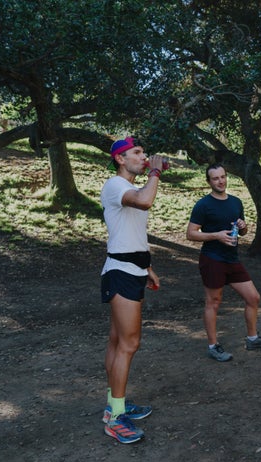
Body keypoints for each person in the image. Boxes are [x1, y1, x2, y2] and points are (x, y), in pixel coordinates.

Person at [101, 137, 166, 444]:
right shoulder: (115, 185)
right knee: (130, 344)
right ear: (120, 159)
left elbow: (130, 234)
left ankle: (115, 402)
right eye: (137, 154)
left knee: (117, 342)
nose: (144, 157)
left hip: (131, 269)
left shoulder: (131, 189)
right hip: (121, 273)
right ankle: (115, 418)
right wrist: (155, 173)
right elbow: (145, 201)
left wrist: (147, 268)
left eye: (144, 152)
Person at [187, 164, 261, 362]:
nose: (220, 181)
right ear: (208, 182)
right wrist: (216, 236)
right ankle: (213, 345)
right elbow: (191, 233)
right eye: (215, 178)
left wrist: (244, 227)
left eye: (223, 176)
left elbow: (241, 231)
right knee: (214, 302)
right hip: (212, 259)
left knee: (253, 297)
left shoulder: (236, 202)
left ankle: (252, 338)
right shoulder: (203, 205)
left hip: (232, 259)